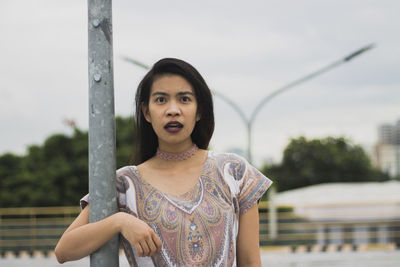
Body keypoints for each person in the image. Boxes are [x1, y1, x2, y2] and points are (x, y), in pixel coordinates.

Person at [55, 58, 272, 266]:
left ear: (199, 111)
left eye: (184, 99)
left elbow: (251, 262)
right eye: (161, 100)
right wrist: (119, 221)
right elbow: (64, 250)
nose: (173, 110)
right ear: (146, 112)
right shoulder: (124, 184)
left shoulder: (234, 172)